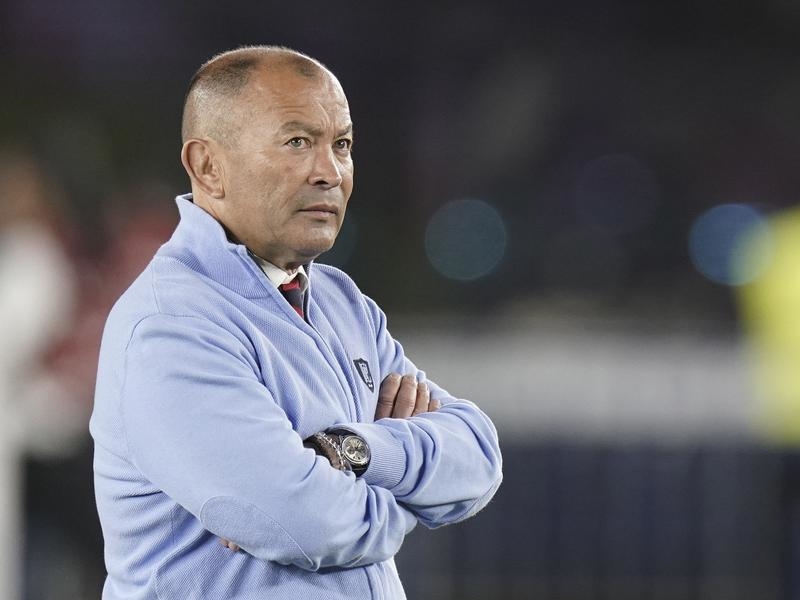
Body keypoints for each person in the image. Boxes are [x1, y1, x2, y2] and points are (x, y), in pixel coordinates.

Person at [90, 45, 502, 600]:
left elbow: (478, 459)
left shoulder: (342, 302)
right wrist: (411, 503)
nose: (330, 172)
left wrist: (350, 449)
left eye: (342, 145)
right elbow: (310, 528)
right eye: (297, 143)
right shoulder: (173, 325)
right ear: (208, 166)